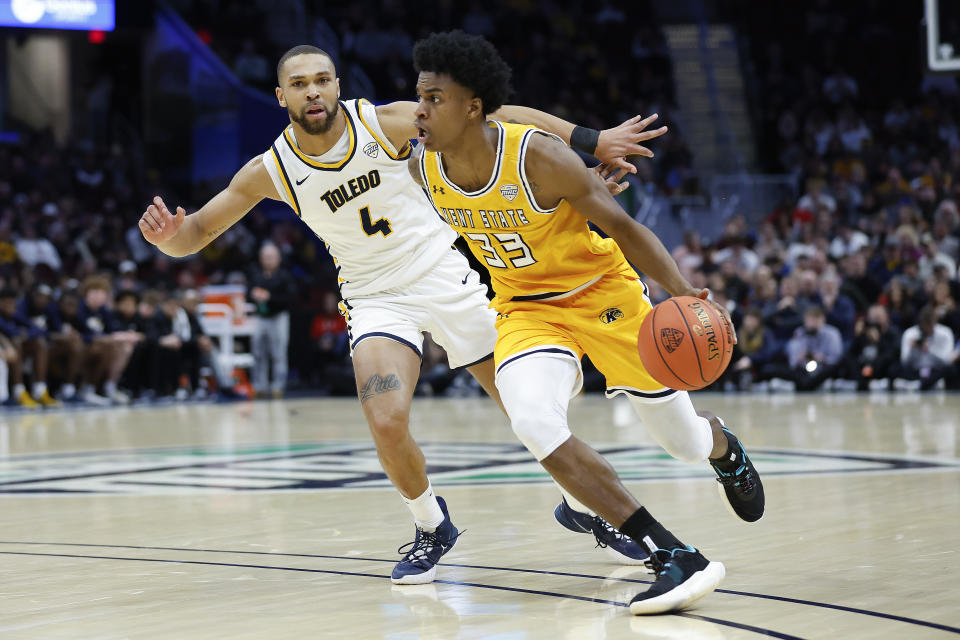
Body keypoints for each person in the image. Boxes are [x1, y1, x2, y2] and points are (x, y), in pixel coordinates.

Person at [138, 45, 659, 585]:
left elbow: (498, 118)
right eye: (299, 84)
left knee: (531, 411)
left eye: (321, 80)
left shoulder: (384, 122)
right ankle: (432, 525)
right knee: (385, 420)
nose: (312, 91)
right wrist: (170, 239)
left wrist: (590, 140)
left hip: (442, 271)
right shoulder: (270, 170)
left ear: (338, 85)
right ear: (281, 96)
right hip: (373, 295)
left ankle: (583, 506)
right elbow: (197, 232)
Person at [409, 31, 764, 615]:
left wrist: (684, 293)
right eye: (419, 96)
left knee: (681, 443)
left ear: (474, 105)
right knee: (530, 418)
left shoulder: (538, 157)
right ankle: (670, 553)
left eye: (435, 98)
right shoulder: (422, 160)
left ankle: (721, 445)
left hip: (603, 295)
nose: (420, 110)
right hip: (527, 309)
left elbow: (626, 230)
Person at [248, 242, 296, 398]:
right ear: (260, 258)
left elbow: (290, 298)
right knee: (258, 352)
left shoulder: (284, 275)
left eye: (271, 257)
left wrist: (270, 297)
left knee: (278, 352)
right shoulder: (255, 274)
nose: (268, 260)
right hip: (260, 317)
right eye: (265, 257)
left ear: (278, 258)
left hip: (278, 317)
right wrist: (253, 295)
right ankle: (259, 385)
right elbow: (248, 293)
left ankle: (277, 386)